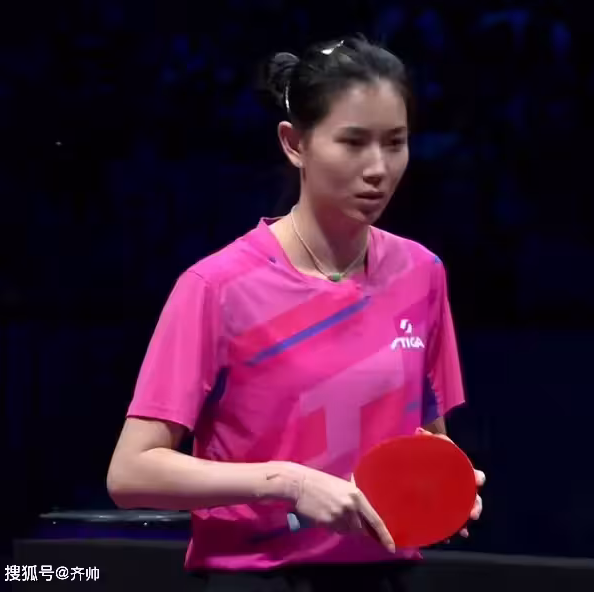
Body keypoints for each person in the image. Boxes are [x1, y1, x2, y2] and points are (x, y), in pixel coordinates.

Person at [107, 34, 485, 591]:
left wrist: (448, 483)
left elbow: (428, 439)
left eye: (395, 143)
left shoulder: (421, 274)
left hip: (385, 576)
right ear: (294, 143)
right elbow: (131, 473)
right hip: (257, 579)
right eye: (352, 142)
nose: (378, 168)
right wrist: (288, 483)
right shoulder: (217, 287)